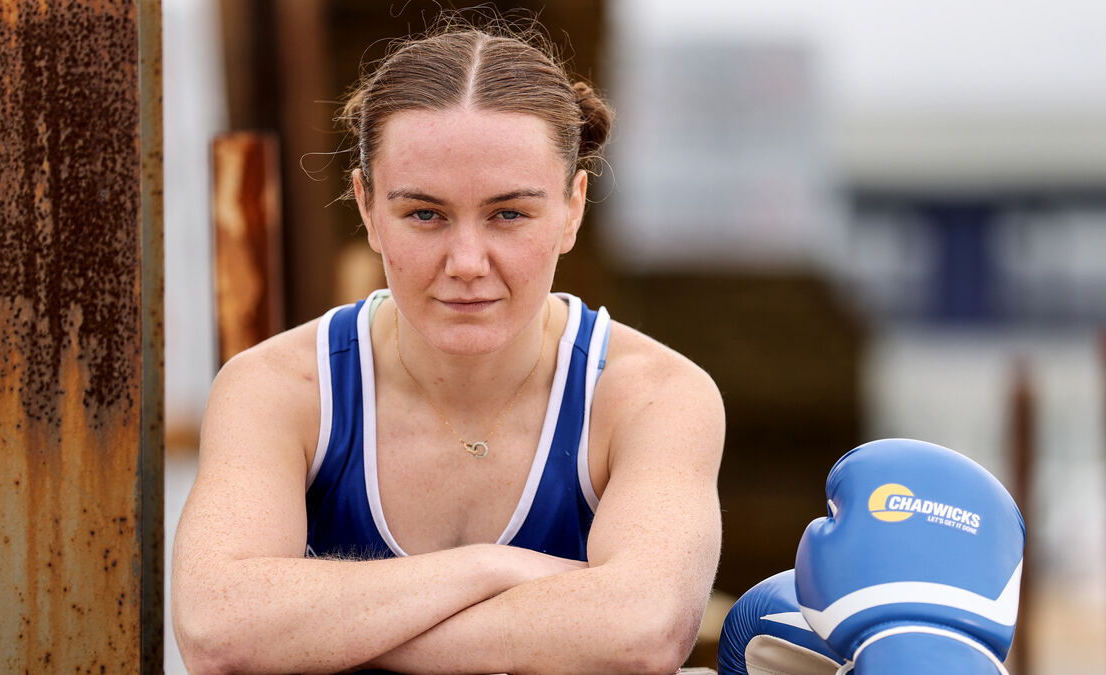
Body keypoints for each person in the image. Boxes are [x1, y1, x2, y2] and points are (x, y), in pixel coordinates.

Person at [172, 19, 724, 675]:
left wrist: (321, 633)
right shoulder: (279, 388)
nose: (466, 262)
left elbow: (642, 630)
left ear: (573, 208)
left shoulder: (654, 395)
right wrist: (491, 568)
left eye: (509, 214)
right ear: (367, 207)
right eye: (425, 214)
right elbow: (218, 628)